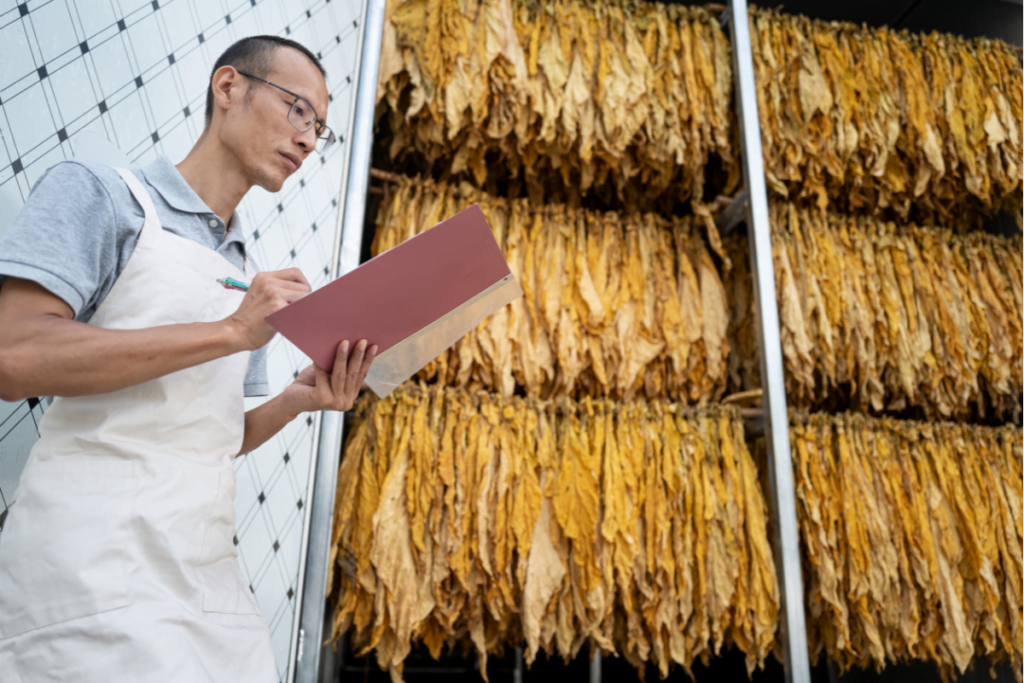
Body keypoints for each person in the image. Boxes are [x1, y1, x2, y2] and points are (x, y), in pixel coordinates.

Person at [0, 35, 375, 682]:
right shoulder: (102, 194)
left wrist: (298, 397)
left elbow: (213, 434)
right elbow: (15, 354)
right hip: (94, 561)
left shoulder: (242, 268)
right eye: (297, 109)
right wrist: (230, 331)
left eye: (321, 127)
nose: (310, 139)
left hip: (208, 579)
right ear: (227, 88)